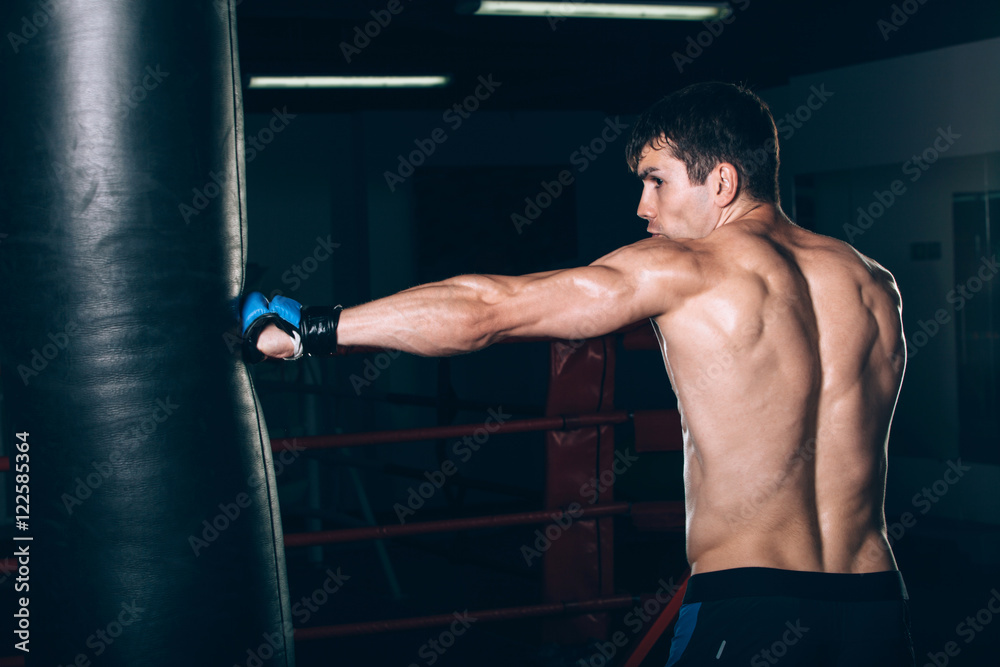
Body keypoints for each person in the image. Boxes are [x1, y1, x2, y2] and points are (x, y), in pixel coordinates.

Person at [242, 82, 914, 666]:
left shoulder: (685, 269)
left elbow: (487, 309)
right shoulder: (872, 285)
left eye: (656, 179)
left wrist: (310, 330)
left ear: (722, 182)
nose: (642, 207)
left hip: (752, 603)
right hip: (876, 602)